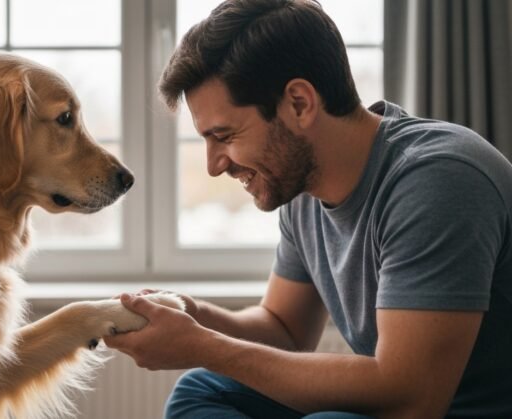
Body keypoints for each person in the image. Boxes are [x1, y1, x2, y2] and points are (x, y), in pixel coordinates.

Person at [103, 0, 512, 418]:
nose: (213, 165)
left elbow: (412, 398)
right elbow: (284, 329)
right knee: (201, 390)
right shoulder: (301, 189)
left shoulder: (438, 180)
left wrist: (202, 345)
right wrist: (193, 315)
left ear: (299, 103)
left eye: (224, 136)